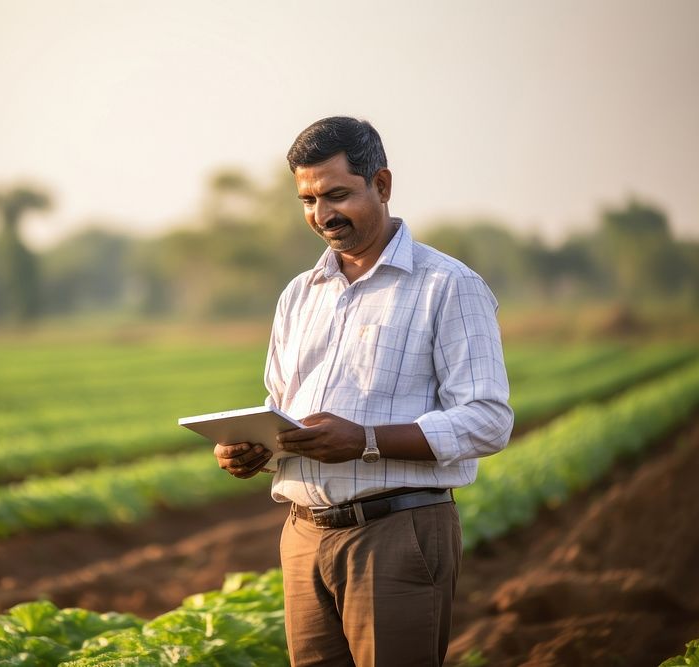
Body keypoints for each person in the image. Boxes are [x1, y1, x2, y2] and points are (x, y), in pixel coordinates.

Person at [214, 116, 513, 667]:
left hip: (397, 532)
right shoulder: (299, 295)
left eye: (337, 195)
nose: (322, 215)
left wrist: (367, 440)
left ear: (382, 185)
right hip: (304, 535)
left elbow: (488, 420)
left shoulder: (447, 285)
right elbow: (284, 412)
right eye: (307, 200)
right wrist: (252, 450)